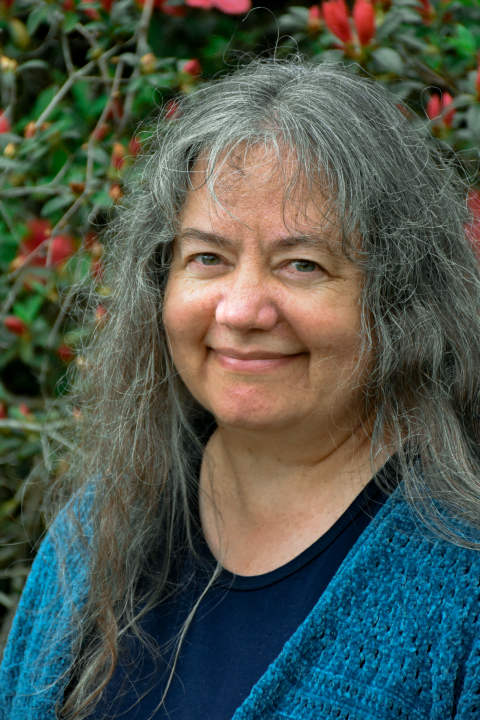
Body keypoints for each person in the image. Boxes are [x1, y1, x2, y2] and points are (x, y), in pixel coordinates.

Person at [1, 56, 480, 720]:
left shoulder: (463, 586)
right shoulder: (93, 534)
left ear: (398, 300)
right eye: (208, 258)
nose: (241, 310)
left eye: (302, 264)